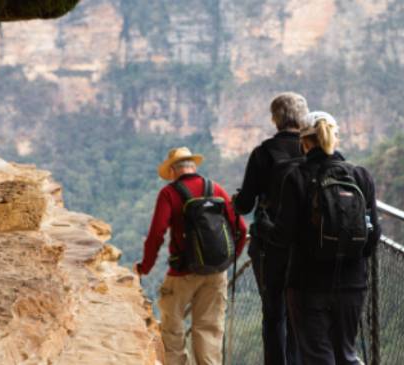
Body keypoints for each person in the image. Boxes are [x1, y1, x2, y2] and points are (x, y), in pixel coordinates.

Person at [269, 111, 381, 365]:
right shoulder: (360, 176)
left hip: (307, 284)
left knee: (318, 357)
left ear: (304, 143)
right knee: (347, 354)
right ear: (335, 139)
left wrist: (275, 284)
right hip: (352, 283)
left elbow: (282, 238)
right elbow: (374, 236)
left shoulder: (296, 178)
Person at [134, 147, 247, 365]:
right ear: (193, 167)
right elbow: (240, 228)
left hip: (181, 274)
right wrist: (229, 260)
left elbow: (156, 234)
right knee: (209, 330)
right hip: (216, 272)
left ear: (174, 171)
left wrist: (145, 267)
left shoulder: (169, 194)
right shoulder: (215, 188)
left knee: (173, 330)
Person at [233, 92, 309, 365]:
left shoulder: (262, 154)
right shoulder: (310, 149)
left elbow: (244, 205)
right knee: (300, 311)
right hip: (307, 246)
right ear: (302, 117)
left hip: (270, 246)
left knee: (274, 312)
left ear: (275, 119)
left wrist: (236, 198)